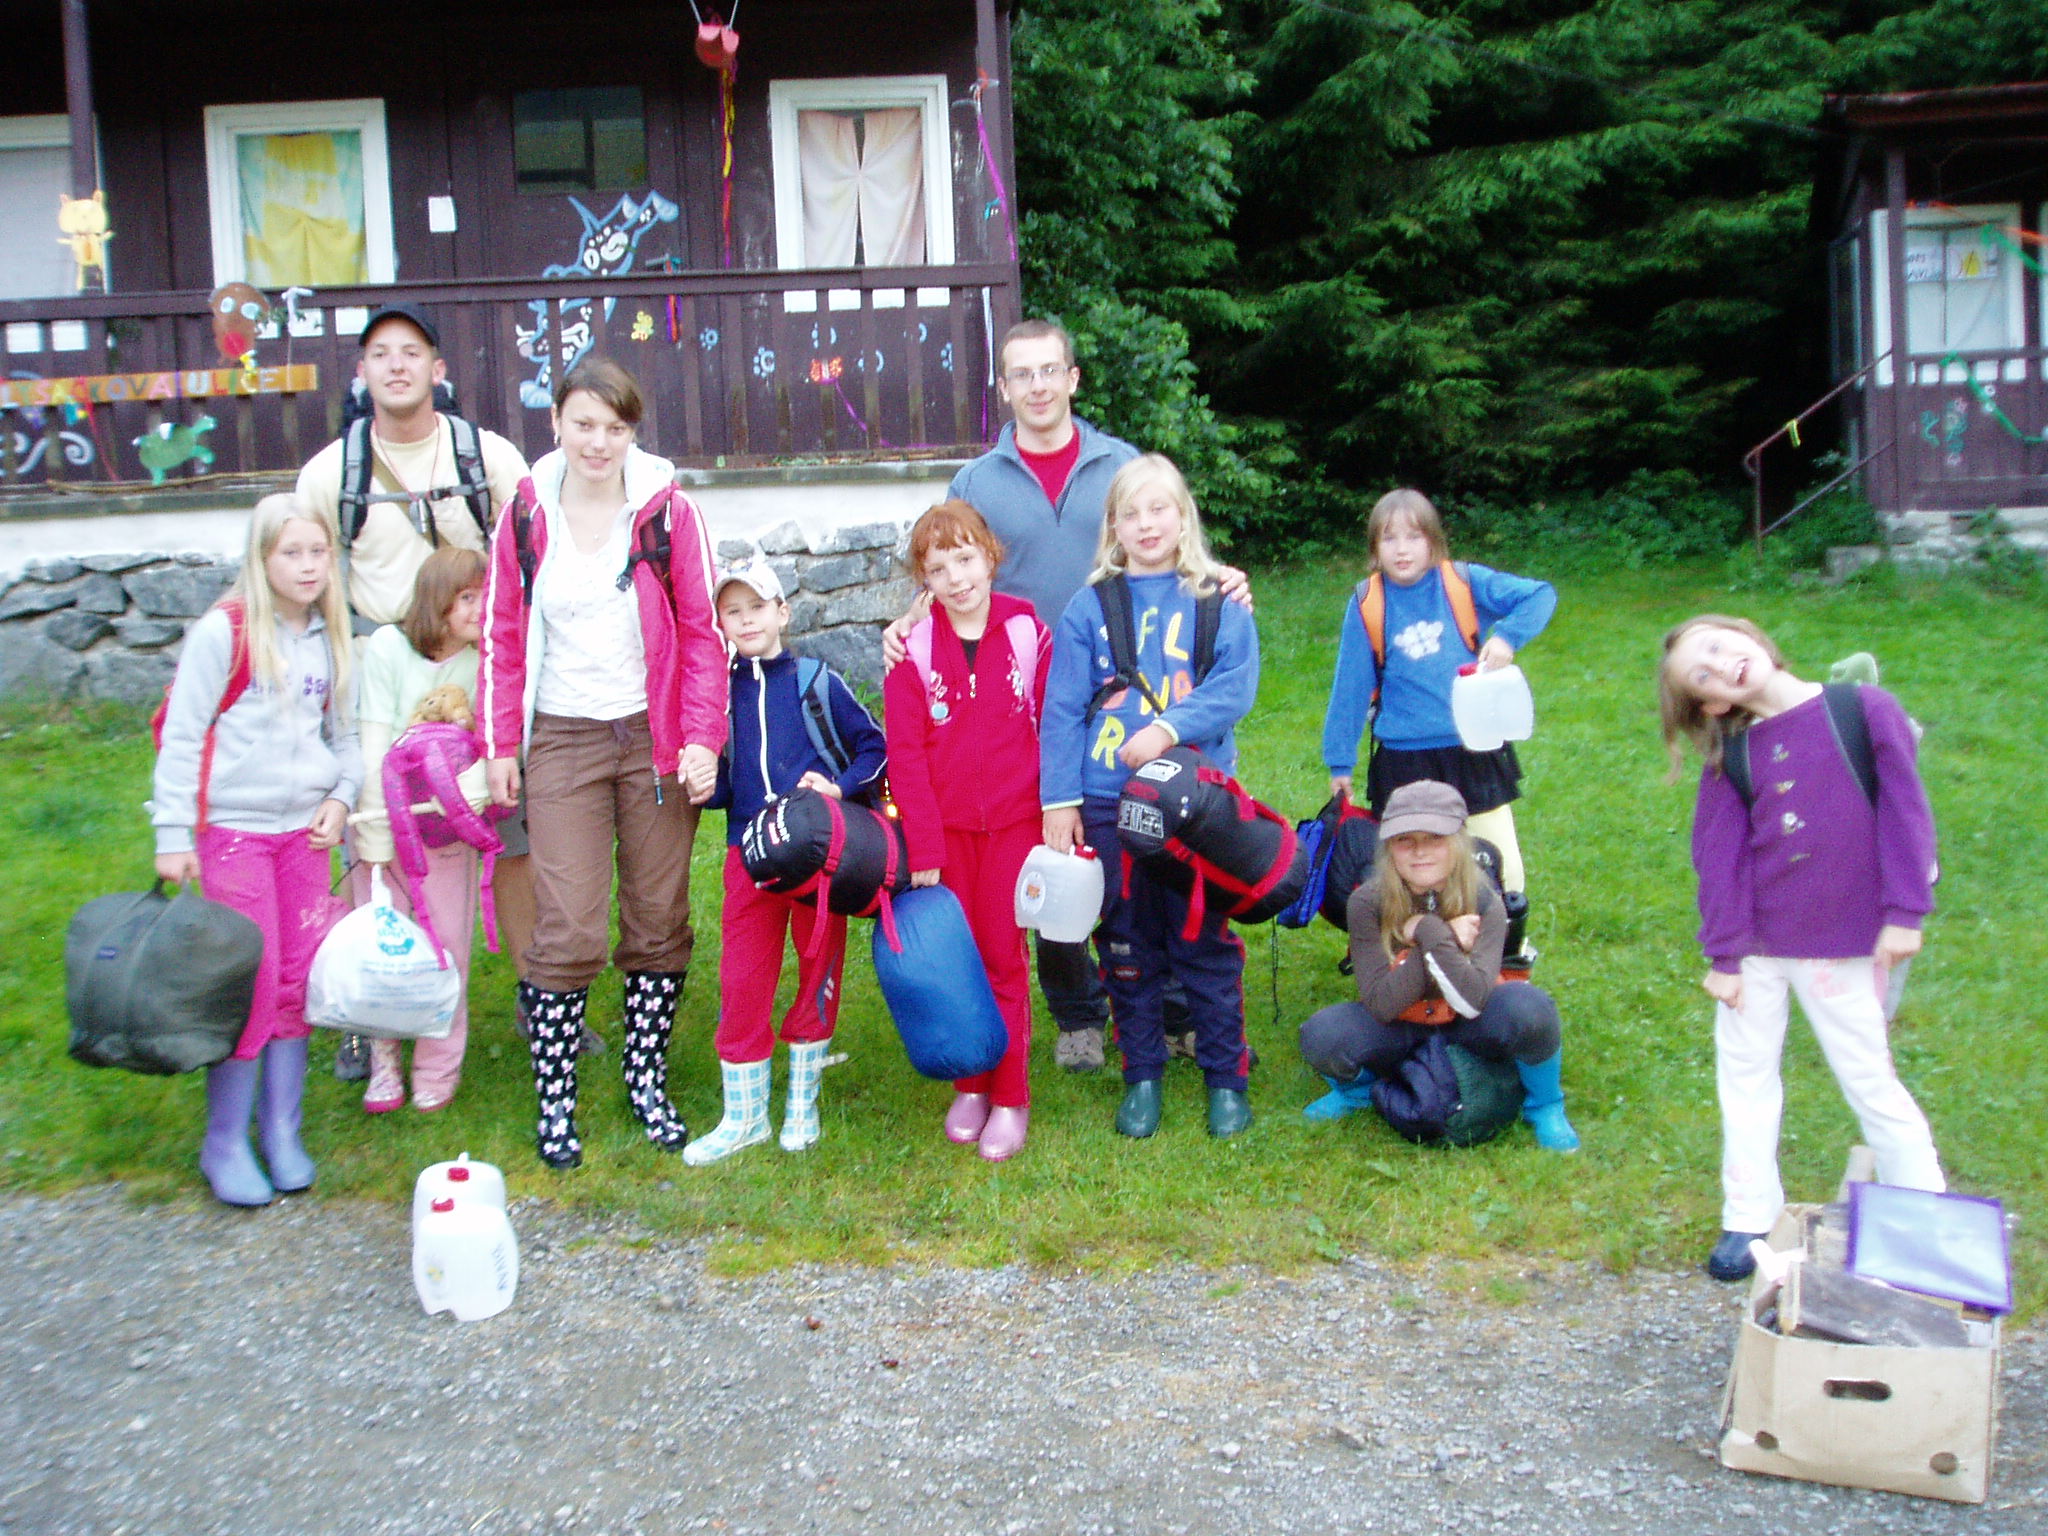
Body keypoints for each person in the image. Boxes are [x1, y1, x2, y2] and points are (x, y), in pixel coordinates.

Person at [887, 320, 1251, 1073]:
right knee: (1053, 857)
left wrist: (1220, 580)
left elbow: (1166, 538)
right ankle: (1077, 1012)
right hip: (1027, 705)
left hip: (1129, 687)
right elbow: (947, 561)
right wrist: (908, 625)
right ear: (1005, 388)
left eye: (1050, 370)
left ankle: (1177, 1010)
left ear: (1073, 378)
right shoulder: (977, 481)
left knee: (1153, 849)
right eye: (1022, 374)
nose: (1038, 386)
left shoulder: (1119, 464)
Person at [479, 358, 726, 1169]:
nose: (597, 442)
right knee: (570, 924)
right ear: (556, 422)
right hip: (561, 737)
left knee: (659, 920)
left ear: (632, 433)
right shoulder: (525, 512)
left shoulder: (668, 511)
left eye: (614, 428)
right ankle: (555, 1098)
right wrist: (499, 745)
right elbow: (501, 634)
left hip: (652, 741)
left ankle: (645, 1079)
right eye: (583, 424)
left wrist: (702, 737)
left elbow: (703, 632)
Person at [294, 304, 540, 1076]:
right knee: (371, 840)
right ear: (361, 373)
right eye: (379, 354)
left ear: (438, 369)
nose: (395, 365)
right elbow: (304, 574)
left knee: (515, 835)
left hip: (477, 676)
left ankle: (540, 999)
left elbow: (536, 550)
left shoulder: (486, 456)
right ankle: (366, 1009)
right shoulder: (329, 474)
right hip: (377, 673)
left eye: (410, 352)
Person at [1660, 614, 1944, 1282]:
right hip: (1756, 950)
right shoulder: (1733, 756)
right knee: (1745, 1078)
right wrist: (1725, 955)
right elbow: (1718, 859)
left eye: (1719, 645)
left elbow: (1906, 811)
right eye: (1702, 673)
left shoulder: (1862, 709)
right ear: (1711, 704)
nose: (1720, 663)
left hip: (1837, 947)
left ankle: (1924, 1208)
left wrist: (1906, 911)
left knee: (1868, 1076)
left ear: (1751, 637)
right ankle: (1748, 1214)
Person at [1039, 454, 1260, 1139]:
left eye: (1159, 508)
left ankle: (1226, 1077)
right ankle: (1142, 1074)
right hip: (1108, 800)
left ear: (1183, 516)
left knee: (1203, 940)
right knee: (1126, 942)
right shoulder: (1090, 606)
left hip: (1195, 803)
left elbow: (1235, 687)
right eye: (1130, 513)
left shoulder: (1217, 599)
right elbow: (1062, 708)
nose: (1146, 524)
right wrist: (1060, 800)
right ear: (1113, 527)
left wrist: (1167, 729)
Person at [151, 493, 361, 1206]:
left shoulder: (330, 636)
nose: (307, 567)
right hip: (235, 833)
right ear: (261, 558)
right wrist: (172, 834)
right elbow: (183, 735)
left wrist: (340, 798)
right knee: (253, 977)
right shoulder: (227, 633)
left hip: (304, 836)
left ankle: (281, 1131)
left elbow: (345, 737)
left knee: (297, 978)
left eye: (318, 552)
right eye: (291, 553)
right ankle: (225, 1141)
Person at [687, 558, 886, 1166]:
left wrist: (838, 788)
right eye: (733, 611)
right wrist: (705, 783)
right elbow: (728, 784)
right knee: (742, 976)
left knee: (817, 966)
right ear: (721, 623)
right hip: (747, 855)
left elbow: (876, 748)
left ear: (783, 612)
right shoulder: (719, 696)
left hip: (820, 856)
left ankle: (803, 1102)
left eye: (757, 607)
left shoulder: (816, 681)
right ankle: (744, 1116)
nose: (747, 620)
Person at [885, 501, 1052, 1161]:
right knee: (958, 963)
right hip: (946, 836)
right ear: (923, 580)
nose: (956, 578)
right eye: (938, 568)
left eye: (965, 559)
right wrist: (924, 844)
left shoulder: (1028, 632)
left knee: (1004, 958)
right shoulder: (912, 649)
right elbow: (905, 755)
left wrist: (1052, 815)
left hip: (1015, 826)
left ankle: (1010, 1095)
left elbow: (1053, 725)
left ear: (990, 556)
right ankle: (971, 1086)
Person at [1295, 780, 1579, 1150]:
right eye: (1405, 840)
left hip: (1470, 1021)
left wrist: (1427, 932)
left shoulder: (1485, 898)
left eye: (1435, 839)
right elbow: (1380, 1004)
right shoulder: (1366, 902)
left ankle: (1545, 1105)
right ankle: (1359, 1093)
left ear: (1458, 842)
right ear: (1388, 847)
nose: (1420, 852)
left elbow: (1474, 999)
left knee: (1530, 1008)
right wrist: (1439, 939)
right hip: (1400, 1020)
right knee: (1323, 1034)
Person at [1321, 488, 1556, 895]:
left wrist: (1507, 638)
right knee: (1411, 874)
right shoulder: (1367, 602)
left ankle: (1503, 933)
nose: (1402, 549)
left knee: (1499, 867)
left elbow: (1539, 595)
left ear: (1433, 540)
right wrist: (1340, 762)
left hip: (1472, 750)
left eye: (1414, 537)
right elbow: (1350, 688)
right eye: (1389, 538)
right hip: (1403, 760)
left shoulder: (1463, 582)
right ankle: (1414, 934)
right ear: (1374, 548)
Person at [348, 546, 491, 1114]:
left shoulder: (481, 663)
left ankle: (437, 1065)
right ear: (438, 601)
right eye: (467, 597)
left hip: (444, 831)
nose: (481, 608)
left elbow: (483, 748)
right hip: (382, 820)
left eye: (486, 595)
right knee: (386, 943)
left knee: (446, 946)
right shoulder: (388, 648)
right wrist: (376, 837)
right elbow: (372, 738)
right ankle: (383, 1059)